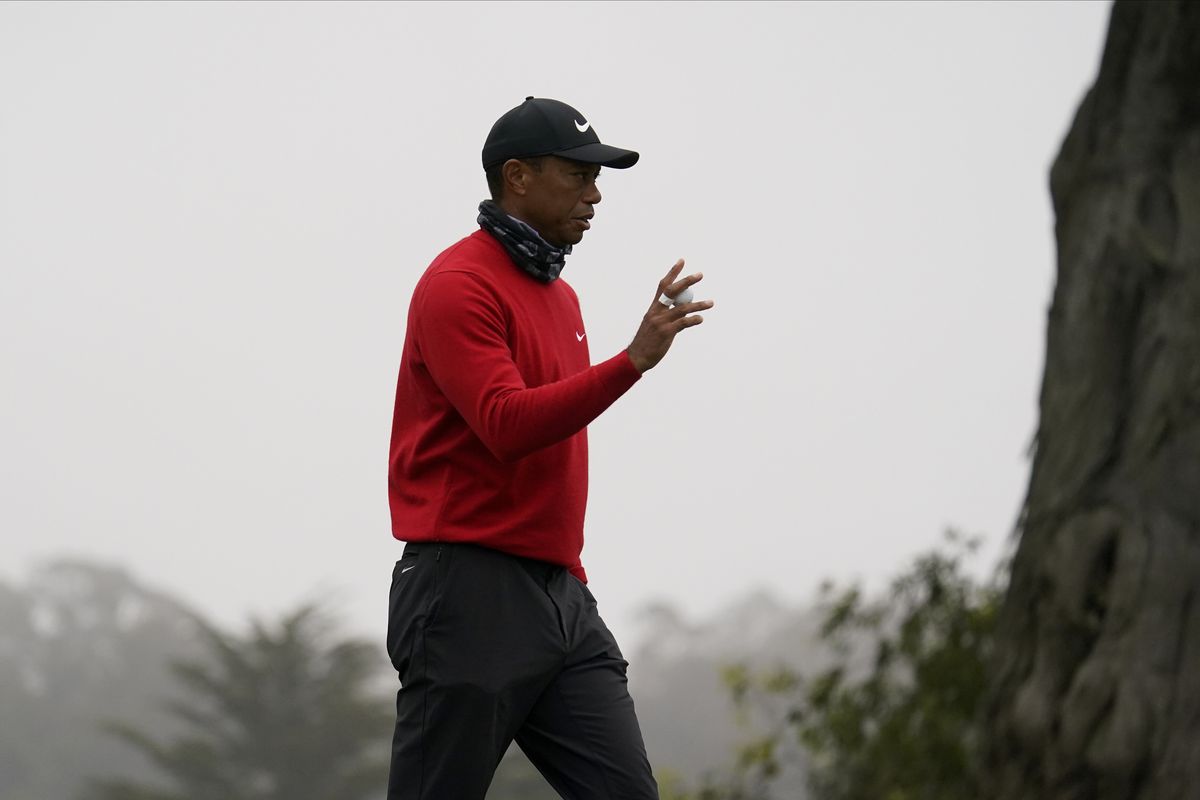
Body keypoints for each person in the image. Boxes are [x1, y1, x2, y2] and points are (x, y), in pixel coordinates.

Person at [385, 96, 713, 800]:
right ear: (518, 177)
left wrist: (571, 580)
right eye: (579, 176)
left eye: (598, 180)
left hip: (559, 597)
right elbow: (506, 423)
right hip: (464, 594)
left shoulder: (562, 297)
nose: (595, 196)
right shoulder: (457, 285)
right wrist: (631, 362)